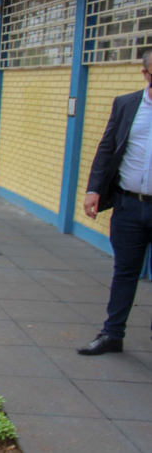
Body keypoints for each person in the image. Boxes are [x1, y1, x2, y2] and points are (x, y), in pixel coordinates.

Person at [79, 49, 152, 356]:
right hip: (128, 205)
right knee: (124, 271)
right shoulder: (126, 105)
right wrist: (93, 189)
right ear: (145, 73)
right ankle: (112, 334)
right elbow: (107, 148)